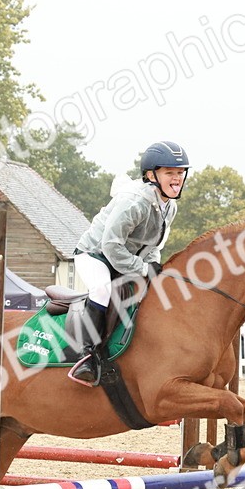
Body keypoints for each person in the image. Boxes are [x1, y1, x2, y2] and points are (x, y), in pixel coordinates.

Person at [67, 140, 189, 386]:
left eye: (180, 172)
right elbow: (111, 246)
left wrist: (153, 266)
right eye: (170, 173)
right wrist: (143, 268)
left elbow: (154, 246)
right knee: (102, 290)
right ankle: (86, 357)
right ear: (151, 175)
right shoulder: (134, 202)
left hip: (127, 260)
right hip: (95, 255)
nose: (177, 178)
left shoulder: (170, 206)